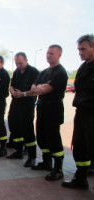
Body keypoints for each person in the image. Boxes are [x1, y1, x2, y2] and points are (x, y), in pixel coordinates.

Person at [31, 45, 68, 181]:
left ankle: (58, 169)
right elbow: (34, 87)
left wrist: (40, 88)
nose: (48, 55)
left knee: (53, 139)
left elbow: (44, 89)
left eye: (51, 53)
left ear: (59, 55)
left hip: (53, 108)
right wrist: (38, 88)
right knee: (41, 136)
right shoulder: (45, 72)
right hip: (41, 107)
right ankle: (47, 162)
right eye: (47, 53)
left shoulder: (60, 72)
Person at [62, 34, 94, 190]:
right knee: (79, 146)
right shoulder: (83, 67)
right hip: (81, 112)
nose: (80, 52)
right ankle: (81, 178)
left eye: (83, 49)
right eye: (79, 49)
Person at [6, 52, 39, 168]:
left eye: (20, 63)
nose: (18, 65)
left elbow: (35, 90)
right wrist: (13, 92)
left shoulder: (34, 72)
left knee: (27, 129)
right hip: (16, 103)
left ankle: (32, 156)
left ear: (26, 60)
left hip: (27, 104)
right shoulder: (16, 72)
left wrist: (23, 94)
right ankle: (18, 151)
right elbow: (11, 85)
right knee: (14, 125)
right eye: (16, 63)